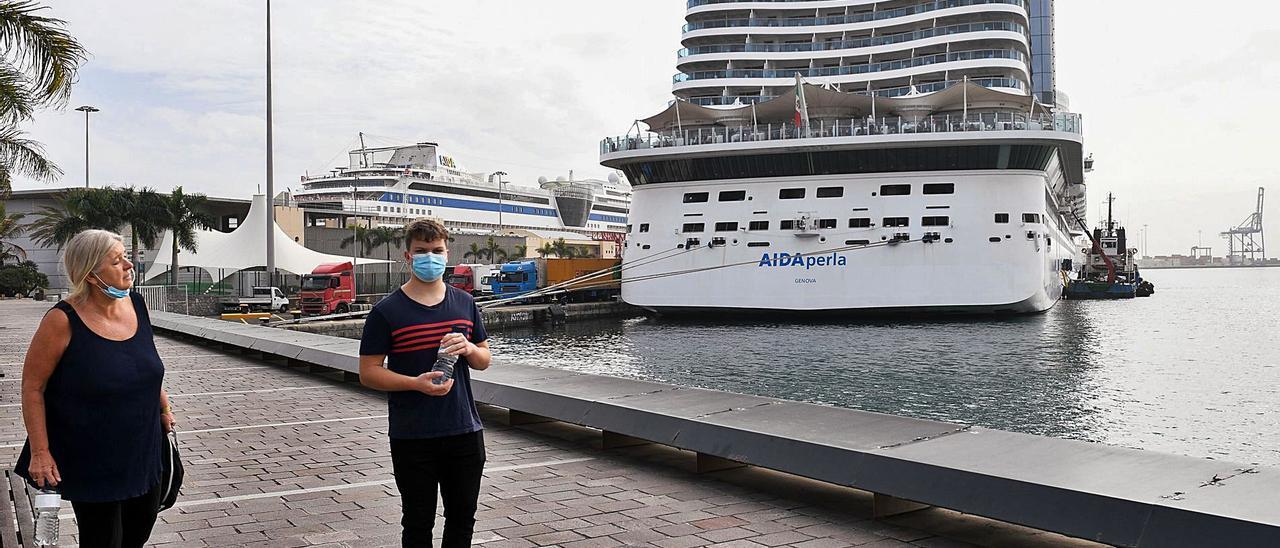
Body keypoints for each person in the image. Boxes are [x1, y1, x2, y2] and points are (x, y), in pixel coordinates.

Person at [15, 229, 176, 548]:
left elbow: (144, 365)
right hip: (92, 455)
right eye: (117, 261)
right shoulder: (62, 320)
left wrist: (165, 408)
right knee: (103, 539)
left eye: (126, 257)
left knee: (138, 533)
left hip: (143, 449)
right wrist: (40, 452)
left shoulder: (137, 305)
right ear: (90, 275)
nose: (129, 265)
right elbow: (33, 388)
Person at [359, 219, 492, 547]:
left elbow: (484, 360)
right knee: (418, 524)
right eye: (421, 251)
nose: (429, 257)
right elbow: (368, 372)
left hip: (464, 430)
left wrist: (470, 347)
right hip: (412, 436)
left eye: (436, 251)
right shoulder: (386, 311)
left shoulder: (465, 304)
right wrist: (415, 383)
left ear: (447, 254)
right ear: (408, 256)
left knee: (462, 521)